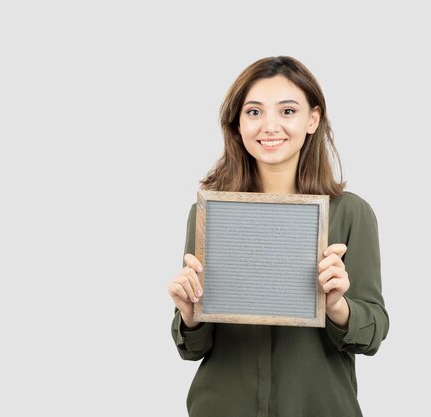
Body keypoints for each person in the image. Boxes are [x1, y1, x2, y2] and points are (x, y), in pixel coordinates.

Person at [167, 56, 389, 417]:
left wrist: (337, 305)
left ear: (312, 119)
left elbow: (373, 332)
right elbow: (192, 348)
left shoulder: (351, 213)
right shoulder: (208, 214)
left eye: (287, 111)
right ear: (238, 124)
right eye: (254, 112)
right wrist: (191, 316)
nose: (270, 126)